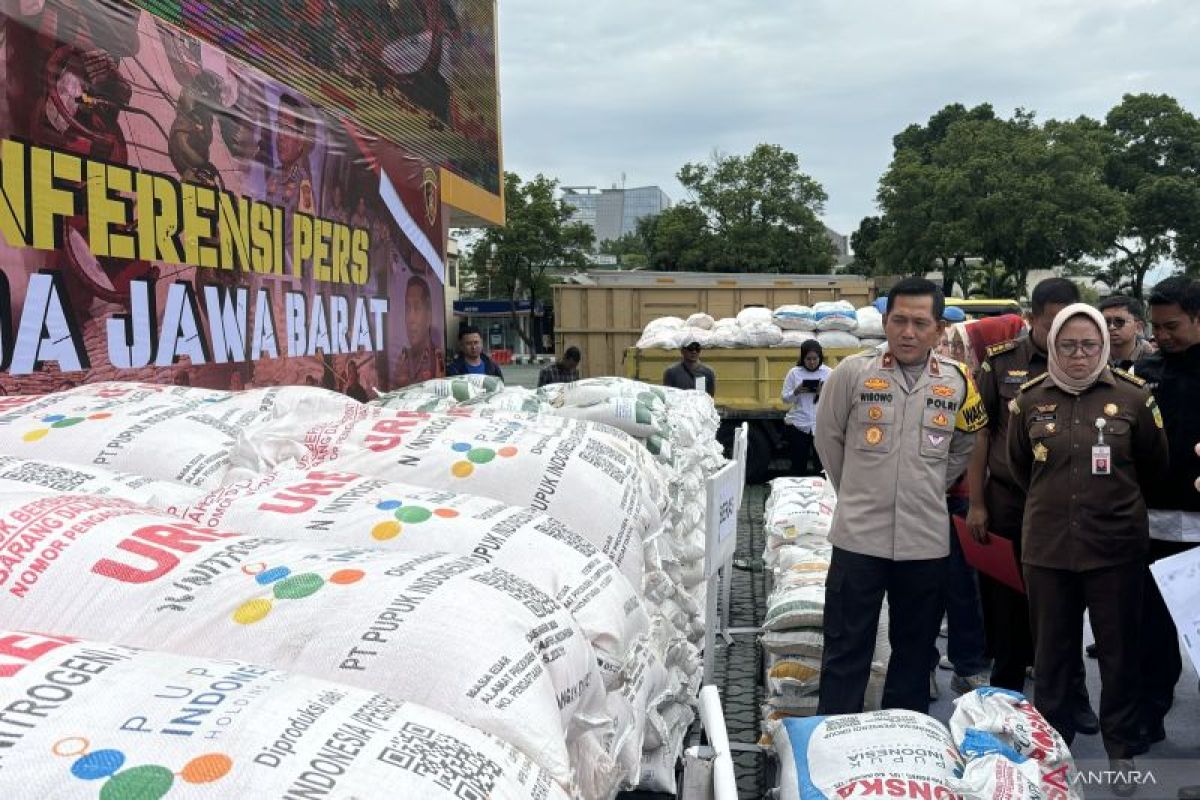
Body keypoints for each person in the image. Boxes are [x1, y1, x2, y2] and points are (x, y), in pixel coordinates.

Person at [1008, 303, 1167, 789]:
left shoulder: (1135, 398)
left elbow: (1154, 468)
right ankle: (1055, 757)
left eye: (1089, 345)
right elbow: (1019, 469)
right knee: (1052, 658)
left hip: (1115, 549)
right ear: (1052, 345)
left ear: (1104, 346)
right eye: (1068, 345)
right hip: (1048, 550)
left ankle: (1120, 752)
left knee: (1119, 655)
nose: (1079, 355)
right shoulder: (1030, 399)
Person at [814, 277, 987, 714]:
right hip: (858, 538)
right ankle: (835, 742)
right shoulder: (853, 373)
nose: (908, 332)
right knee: (845, 648)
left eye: (919, 323)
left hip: (924, 542)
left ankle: (905, 748)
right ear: (886, 322)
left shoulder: (958, 382)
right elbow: (827, 437)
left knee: (913, 653)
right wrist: (857, 488)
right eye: (899, 321)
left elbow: (966, 443)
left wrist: (925, 484)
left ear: (938, 330)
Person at [965, 278, 1098, 733]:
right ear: (1032, 318)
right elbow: (980, 433)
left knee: (1064, 609)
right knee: (1006, 613)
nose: (1062, 335)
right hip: (1007, 505)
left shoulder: (1086, 364)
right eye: (1051, 323)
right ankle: (1003, 708)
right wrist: (977, 502)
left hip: (1066, 510)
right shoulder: (1001, 363)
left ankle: (1070, 700)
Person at [1130, 277, 1200, 757]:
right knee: (1149, 633)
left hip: (1199, 526)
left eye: (1172, 325)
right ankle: (1146, 719)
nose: (1163, 335)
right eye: (1156, 327)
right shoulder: (1145, 367)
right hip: (1150, 522)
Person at [780, 341, 831, 475]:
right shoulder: (794, 373)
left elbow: (837, 398)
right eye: (808, 359)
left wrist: (823, 392)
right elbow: (785, 398)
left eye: (815, 359)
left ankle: (822, 493)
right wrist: (796, 391)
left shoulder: (829, 373)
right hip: (799, 425)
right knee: (797, 465)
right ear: (802, 358)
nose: (812, 362)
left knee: (821, 467)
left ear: (820, 358)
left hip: (821, 425)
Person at [395, 276, 446, 385]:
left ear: (428, 314)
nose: (410, 318)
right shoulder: (403, 359)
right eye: (407, 308)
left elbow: (441, 387)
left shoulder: (437, 357)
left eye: (417, 308)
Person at [1099, 295, 1154, 370]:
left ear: (1138, 327)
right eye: (1106, 322)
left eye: (1119, 321)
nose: (1111, 327)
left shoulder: (1153, 362)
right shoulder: (1094, 359)